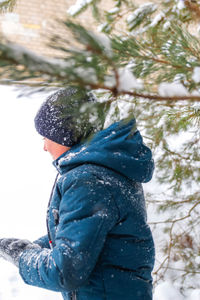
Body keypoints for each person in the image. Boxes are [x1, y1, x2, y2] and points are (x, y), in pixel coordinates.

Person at [0, 87, 155, 300]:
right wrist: (37, 246)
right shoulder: (105, 169)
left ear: (65, 136)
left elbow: (64, 271)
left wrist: (23, 255)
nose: (44, 147)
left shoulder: (88, 181)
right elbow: (91, 235)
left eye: (46, 137)